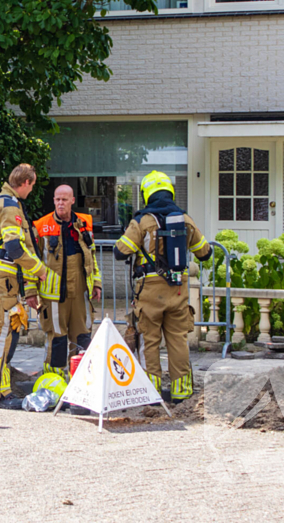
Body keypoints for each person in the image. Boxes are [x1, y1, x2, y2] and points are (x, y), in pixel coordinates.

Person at [113, 171, 212, 402]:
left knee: (150, 339)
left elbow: (120, 251)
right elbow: (205, 253)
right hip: (178, 288)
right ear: (170, 191)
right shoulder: (185, 220)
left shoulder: (142, 222)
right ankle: (182, 391)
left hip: (150, 288)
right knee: (178, 339)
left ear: (147, 194)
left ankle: (151, 391)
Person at [0, 163, 48, 410]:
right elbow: (14, 247)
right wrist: (39, 269)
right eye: (33, 185)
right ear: (27, 182)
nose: (31, 190)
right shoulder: (10, 206)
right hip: (3, 280)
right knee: (0, 336)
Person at [33, 185, 102, 378]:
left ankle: (80, 381)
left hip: (81, 291)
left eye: (64, 199)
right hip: (52, 296)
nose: (60, 203)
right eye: (57, 200)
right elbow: (32, 261)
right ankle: (53, 382)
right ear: (53, 200)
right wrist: (30, 292)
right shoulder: (41, 226)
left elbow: (92, 255)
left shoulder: (84, 223)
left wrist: (97, 283)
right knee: (57, 338)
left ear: (72, 200)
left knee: (83, 337)